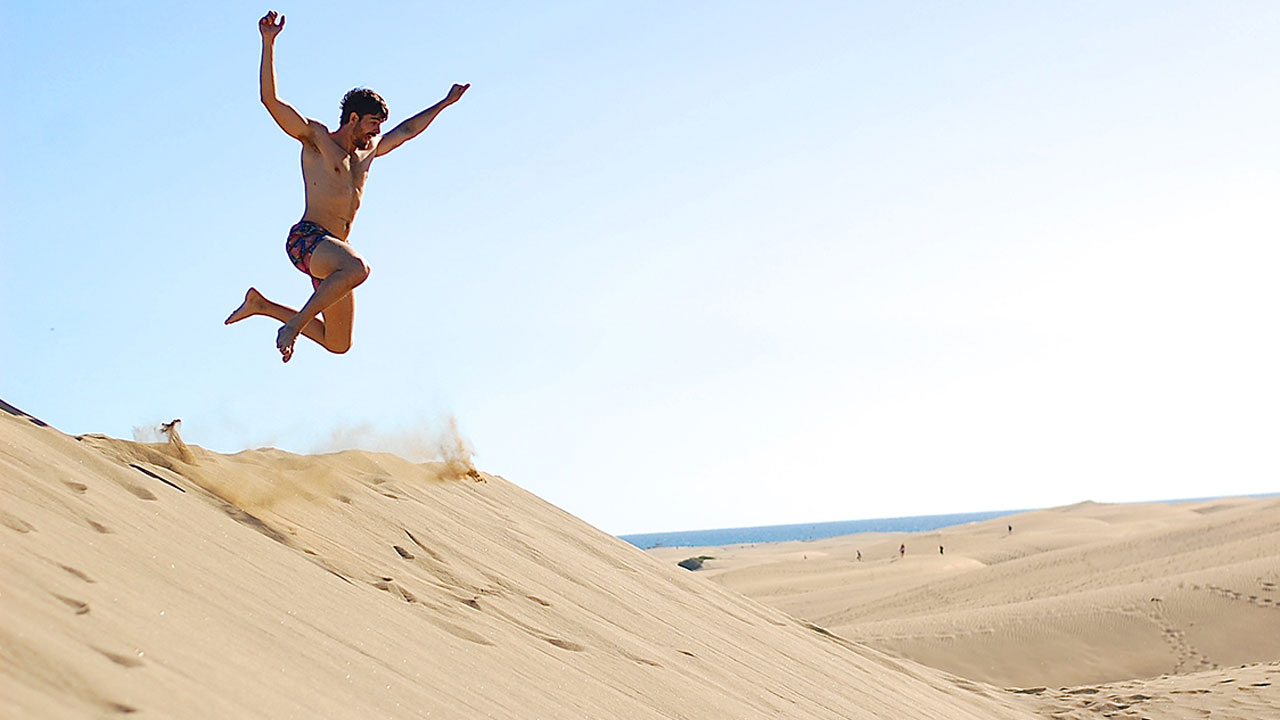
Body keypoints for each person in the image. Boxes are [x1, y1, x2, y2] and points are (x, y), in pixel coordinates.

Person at [225, 10, 470, 362]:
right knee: (358, 270)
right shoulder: (317, 140)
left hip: (335, 252)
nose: (375, 133)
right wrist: (268, 43)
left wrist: (444, 104)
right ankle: (292, 326)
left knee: (338, 343)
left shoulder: (367, 153)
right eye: (371, 124)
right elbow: (271, 101)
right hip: (308, 239)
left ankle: (262, 305)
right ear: (353, 118)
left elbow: (406, 130)